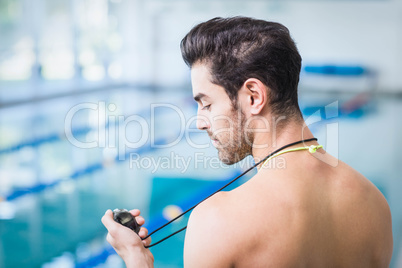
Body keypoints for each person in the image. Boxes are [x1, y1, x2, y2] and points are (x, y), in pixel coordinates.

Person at [101, 17, 393, 267]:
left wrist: (136, 259)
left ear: (253, 96)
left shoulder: (218, 220)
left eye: (206, 104)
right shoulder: (374, 203)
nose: (200, 122)